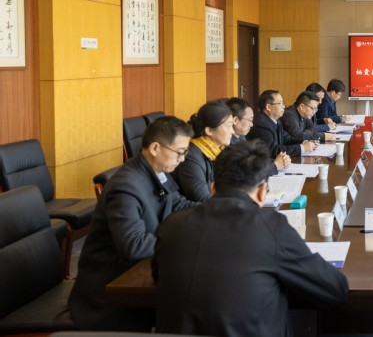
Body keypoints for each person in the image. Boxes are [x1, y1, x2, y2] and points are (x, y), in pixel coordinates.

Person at [153, 140, 349, 337]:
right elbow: (335, 289)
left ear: (212, 188)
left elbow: (159, 278)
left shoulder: (171, 225)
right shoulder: (271, 227)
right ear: (263, 191)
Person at [69, 116, 198, 331]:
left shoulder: (157, 171)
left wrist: (216, 210)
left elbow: (178, 204)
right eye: (180, 152)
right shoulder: (126, 187)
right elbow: (134, 245)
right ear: (155, 148)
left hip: (139, 272)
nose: (183, 159)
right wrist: (183, 241)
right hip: (110, 290)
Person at [173, 101, 235, 202]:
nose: (232, 131)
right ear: (209, 130)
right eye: (228, 126)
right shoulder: (190, 157)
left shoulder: (222, 148)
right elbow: (202, 198)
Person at [248, 89, 317, 157]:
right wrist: (302, 148)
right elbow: (273, 151)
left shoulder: (276, 120)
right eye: (280, 103)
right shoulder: (261, 124)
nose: (284, 106)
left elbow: (287, 139)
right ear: (268, 107)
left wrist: (304, 142)